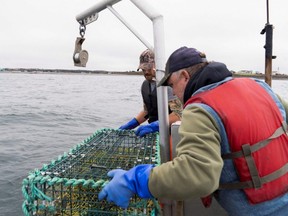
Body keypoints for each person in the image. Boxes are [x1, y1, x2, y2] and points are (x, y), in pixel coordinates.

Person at [99, 46, 288, 215]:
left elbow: (197, 173)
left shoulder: (199, 108)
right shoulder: (260, 87)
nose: (147, 73)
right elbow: (147, 110)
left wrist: (136, 179)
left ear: (184, 76)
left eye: (172, 85)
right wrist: (133, 122)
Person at [119, 49, 182, 137]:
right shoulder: (145, 85)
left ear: (157, 65)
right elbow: (146, 111)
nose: (146, 71)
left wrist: (156, 125)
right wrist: (132, 124)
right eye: (143, 69)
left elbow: (178, 114)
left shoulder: (169, 84)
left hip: (171, 133)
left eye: (149, 67)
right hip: (153, 134)